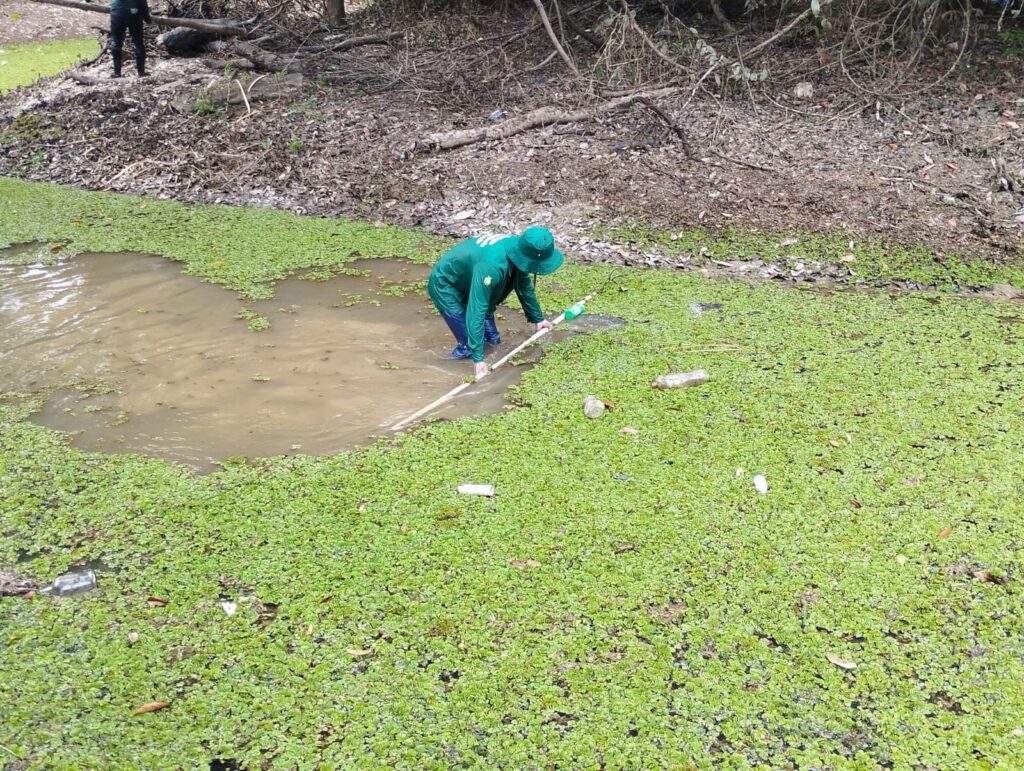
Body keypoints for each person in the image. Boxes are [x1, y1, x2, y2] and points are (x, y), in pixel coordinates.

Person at [427, 227, 564, 378]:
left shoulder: (520, 251)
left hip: (473, 277)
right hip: (447, 283)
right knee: (468, 348)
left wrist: (538, 319)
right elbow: (477, 309)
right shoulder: (491, 267)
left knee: (493, 341)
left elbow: (523, 286)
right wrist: (478, 359)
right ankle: (443, 369)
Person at [109, 0, 152, 78]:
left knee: (116, 41)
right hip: (134, 12)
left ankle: (117, 73)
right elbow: (143, 3)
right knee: (138, 41)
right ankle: (141, 72)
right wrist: (148, 19)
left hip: (118, 11)